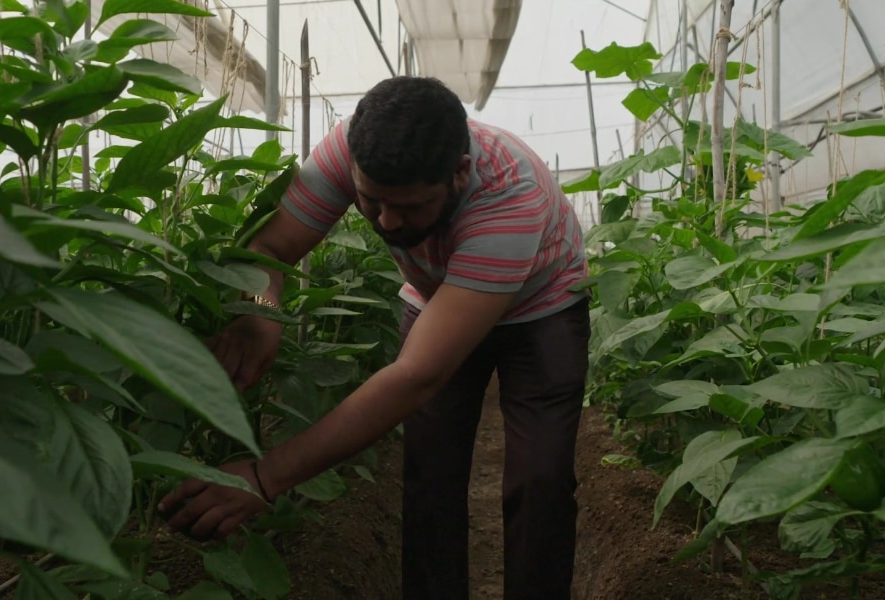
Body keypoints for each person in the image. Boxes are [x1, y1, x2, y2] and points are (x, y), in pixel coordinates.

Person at [159, 75, 591, 599]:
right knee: (430, 475)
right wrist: (260, 309)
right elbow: (270, 248)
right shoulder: (351, 147)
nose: (386, 220)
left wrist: (266, 475)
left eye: (410, 208)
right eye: (371, 201)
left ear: (459, 173)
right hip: (435, 298)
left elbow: (417, 375)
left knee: (539, 481)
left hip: (542, 309)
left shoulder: (507, 196)